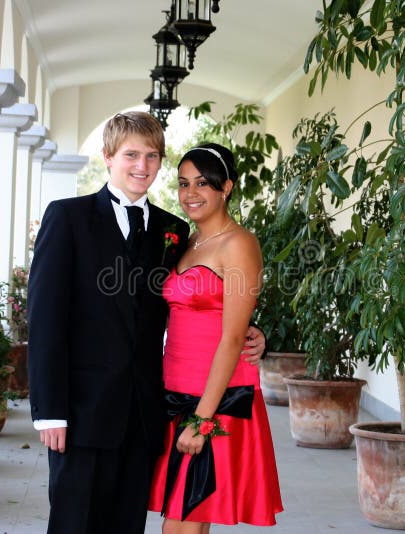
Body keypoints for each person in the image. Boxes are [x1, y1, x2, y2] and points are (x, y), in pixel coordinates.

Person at [27, 112, 265, 534]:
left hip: (145, 415)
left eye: (152, 156)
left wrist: (255, 333)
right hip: (81, 413)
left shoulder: (173, 231)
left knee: (127, 524)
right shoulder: (67, 217)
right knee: (73, 524)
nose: (142, 166)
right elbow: (44, 320)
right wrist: (49, 412)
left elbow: (203, 300)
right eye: (131, 154)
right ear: (108, 157)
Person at [148, 143, 283, 532]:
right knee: (191, 521)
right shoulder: (185, 240)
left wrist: (202, 420)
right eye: (184, 183)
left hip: (214, 397)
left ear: (227, 187)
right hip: (175, 390)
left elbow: (232, 337)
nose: (191, 193)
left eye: (203, 183)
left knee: (181, 523)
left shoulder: (240, 244)